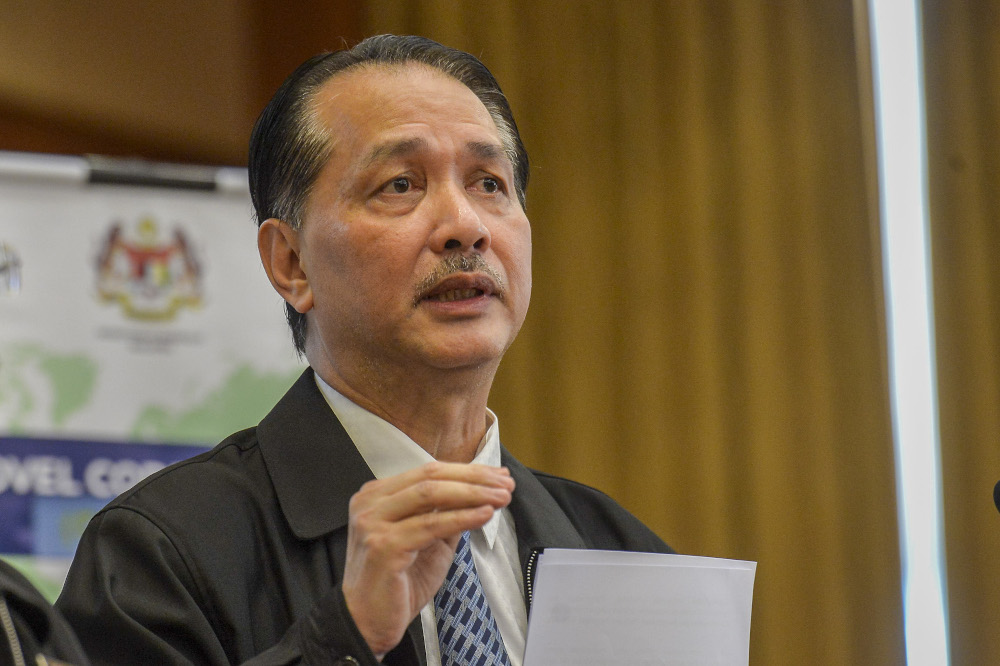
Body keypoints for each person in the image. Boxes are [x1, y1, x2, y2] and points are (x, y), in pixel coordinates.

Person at [55, 35, 671, 665]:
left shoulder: (625, 557)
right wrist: (343, 638)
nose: (466, 225)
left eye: (489, 183)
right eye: (400, 184)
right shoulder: (160, 554)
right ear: (291, 263)